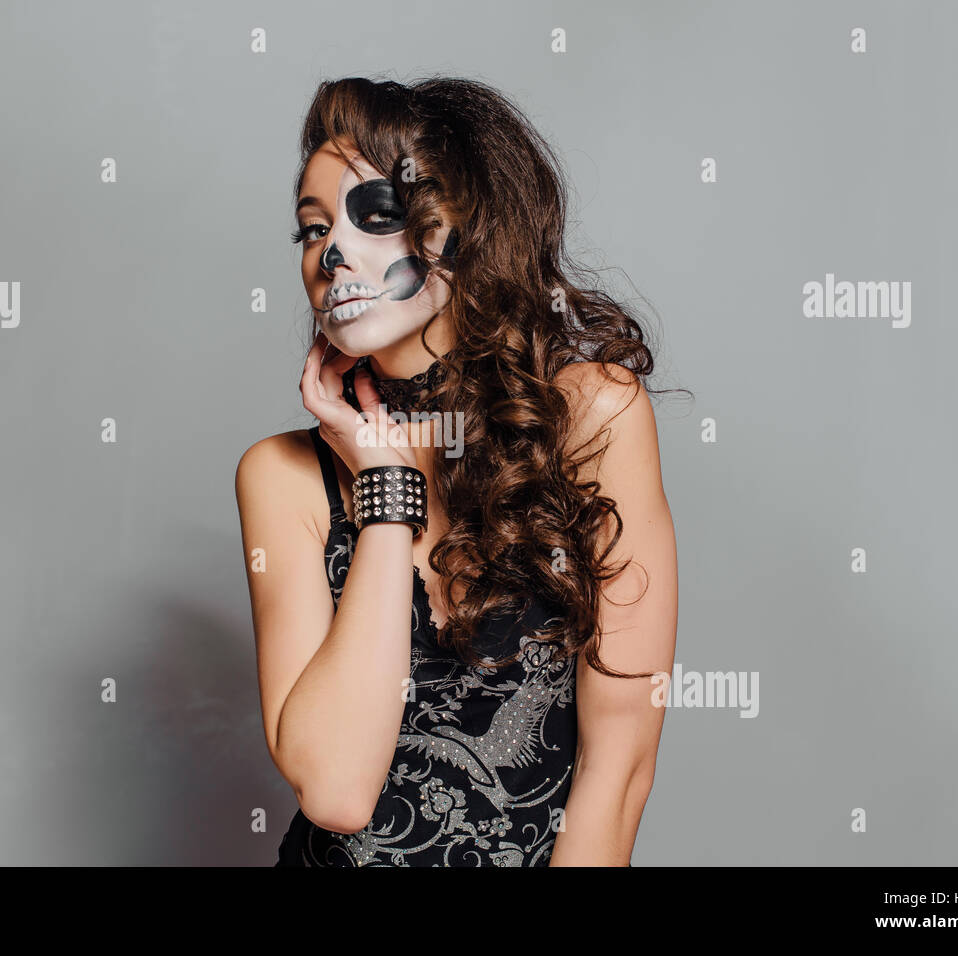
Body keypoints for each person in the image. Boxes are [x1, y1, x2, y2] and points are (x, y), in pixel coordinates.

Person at [235, 76, 680, 866]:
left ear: (459, 229)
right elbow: (337, 791)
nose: (332, 253)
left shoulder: (593, 417)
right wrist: (387, 491)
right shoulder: (281, 476)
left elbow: (618, 771)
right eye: (311, 230)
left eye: (376, 214)